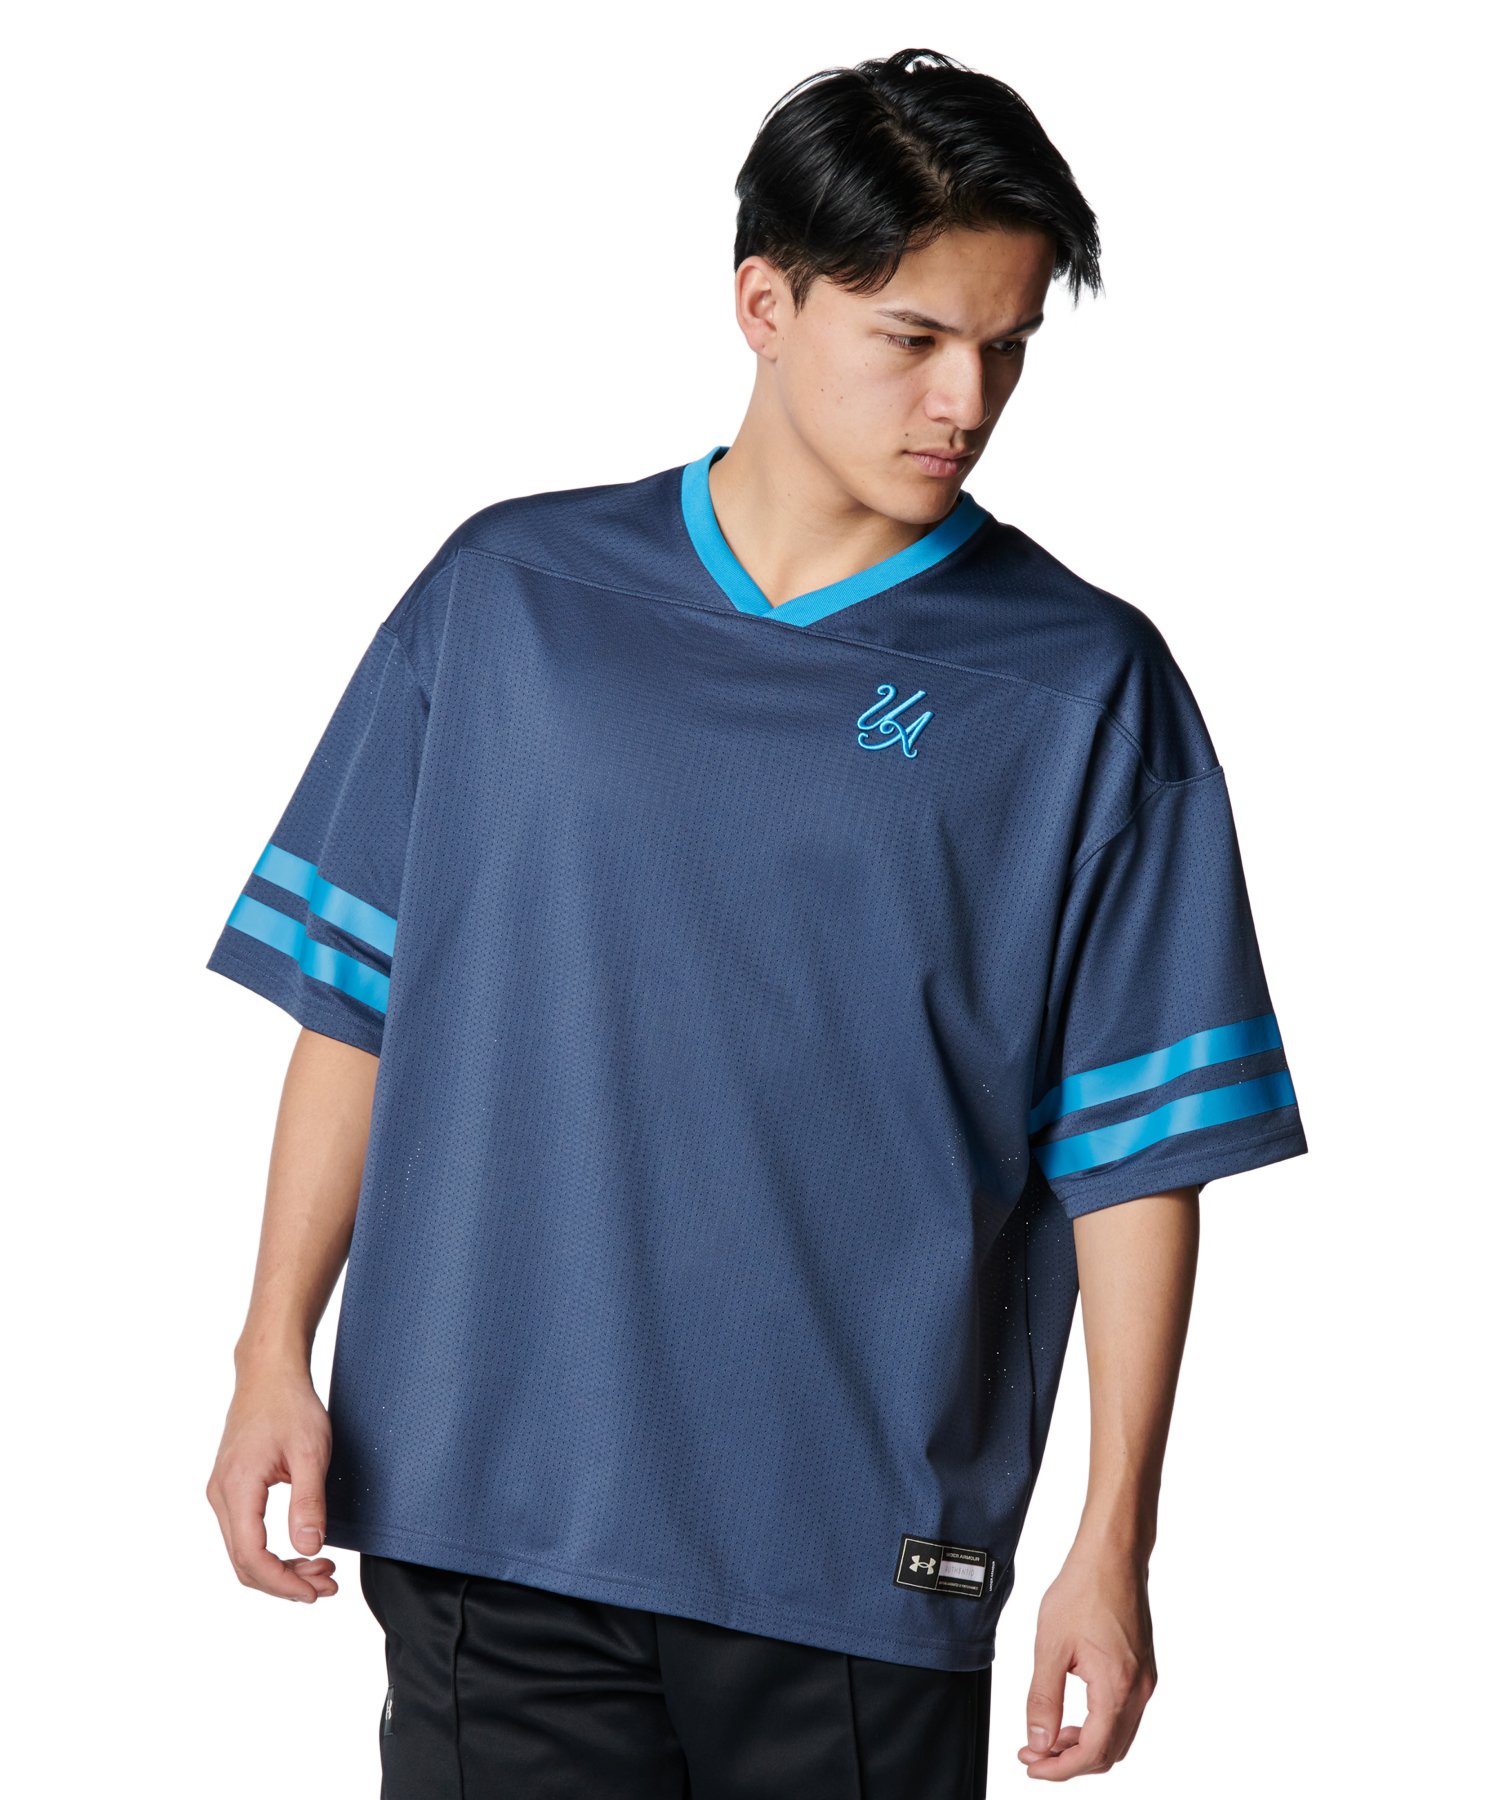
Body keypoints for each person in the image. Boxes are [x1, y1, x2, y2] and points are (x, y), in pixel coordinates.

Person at [203, 45, 1308, 1796]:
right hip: (489, 1509)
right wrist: (272, 1347)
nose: (967, 397)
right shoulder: (509, 601)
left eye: (1007, 345)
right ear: (765, 303)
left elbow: (1135, 1158)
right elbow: (356, 1005)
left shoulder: (1085, 689)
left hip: (858, 1553)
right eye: (915, 336)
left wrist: (1113, 1544)